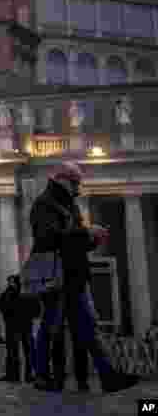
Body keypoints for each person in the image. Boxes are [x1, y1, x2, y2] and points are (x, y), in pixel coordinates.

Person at [30, 161, 138, 394]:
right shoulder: (44, 204)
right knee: (50, 327)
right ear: (62, 180)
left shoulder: (69, 204)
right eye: (75, 183)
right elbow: (48, 238)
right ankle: (41, 375)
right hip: (56, 277)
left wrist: (92, 239)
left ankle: (108, 376)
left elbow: (73, 241)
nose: (79, 188)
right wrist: (86, 233)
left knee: (89, 328)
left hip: (74, 275)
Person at [0, 274, 37, 383]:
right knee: (27, 352)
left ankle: (13, 375)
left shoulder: (9, 293)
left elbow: (2, 305)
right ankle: (28, 376)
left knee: (12, 351)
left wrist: (8, 318)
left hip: (13, 326)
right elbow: (36, 309)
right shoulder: (28, 293)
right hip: (26, 325)